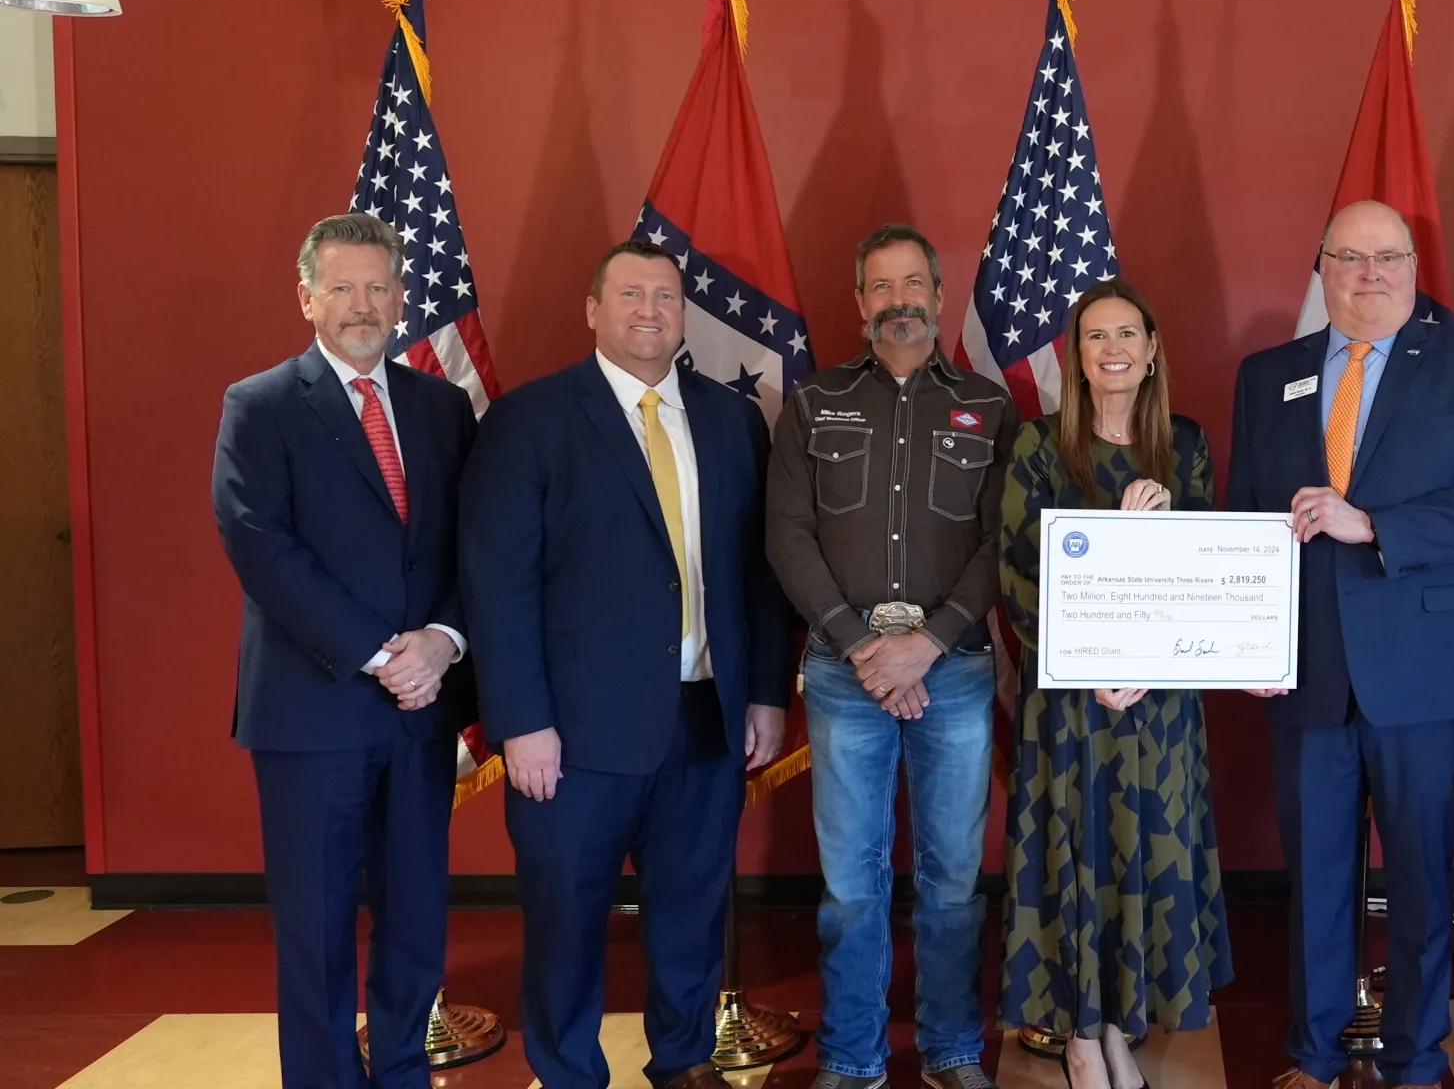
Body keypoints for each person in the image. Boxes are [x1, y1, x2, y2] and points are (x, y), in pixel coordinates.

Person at [461, 240, 794, 1089]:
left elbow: (755, 571)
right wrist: (520, 722)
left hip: (705, 721)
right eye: (631, 295)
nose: (650, 311)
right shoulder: (529, 420)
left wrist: (762, 692)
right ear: (593, 310)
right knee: (566, 920)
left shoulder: (729, 419)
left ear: (684, 313)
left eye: (667, 297)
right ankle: (570, 1073)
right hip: (571, 737)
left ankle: (682, 1061)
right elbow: (497, 584)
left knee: (689, 914)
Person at [1227, 200, 1454, 1089]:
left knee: (1420, 884)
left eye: (1388, 258)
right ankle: (1314, 1056)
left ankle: (1415, 1059)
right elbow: (1251, 519)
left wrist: (1375, 525)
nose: (1370, 274)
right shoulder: (1266, 374)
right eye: (1351, 258)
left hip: (1420, 673)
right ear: (1321, 267)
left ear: (1413, 267)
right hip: (1306, 673)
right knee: (1317, 879)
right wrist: (1252, 643)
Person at [211, 212, 475, 1089]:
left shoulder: (442, 407)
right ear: (307, 298)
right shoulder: (260, 405)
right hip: (312, 708)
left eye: (378, 287)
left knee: (415, 917)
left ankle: (402, 1070)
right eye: (343, 287)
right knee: (317, 927)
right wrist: (379, 654)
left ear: (402, 298)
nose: (363, 305)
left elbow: (471, 544)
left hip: (422, 710)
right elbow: (261, 548)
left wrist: (439, 643)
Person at [767, 225, 1019, 1089]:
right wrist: (865, 644)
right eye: (881, 286)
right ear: (859, 302)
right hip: (846, 674)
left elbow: (1001, 540)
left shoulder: (990, 406)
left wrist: (928, 642)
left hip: (953, 671)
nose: (899, 299)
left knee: (954, 878)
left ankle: (951, 1050)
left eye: (914, 283)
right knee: (850, 884)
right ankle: (853, 1055)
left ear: (940, 296)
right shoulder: (811, 402)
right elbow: (787, 535)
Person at [996, 279, 1234, 1089]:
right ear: (1077, 354)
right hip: (1072, 704)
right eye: (1096, 337)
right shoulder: (1037, 446)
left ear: (1153, 347)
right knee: (1079, 859)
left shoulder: (1187, 445)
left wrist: (1167, 528)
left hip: (1160, 703)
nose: (1114, 350)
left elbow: (1214, 570)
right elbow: (1017, 573)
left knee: (1146, 856)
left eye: (1127, 334)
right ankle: (1082, 1037)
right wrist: (1091, 662)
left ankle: (1121, 1024)